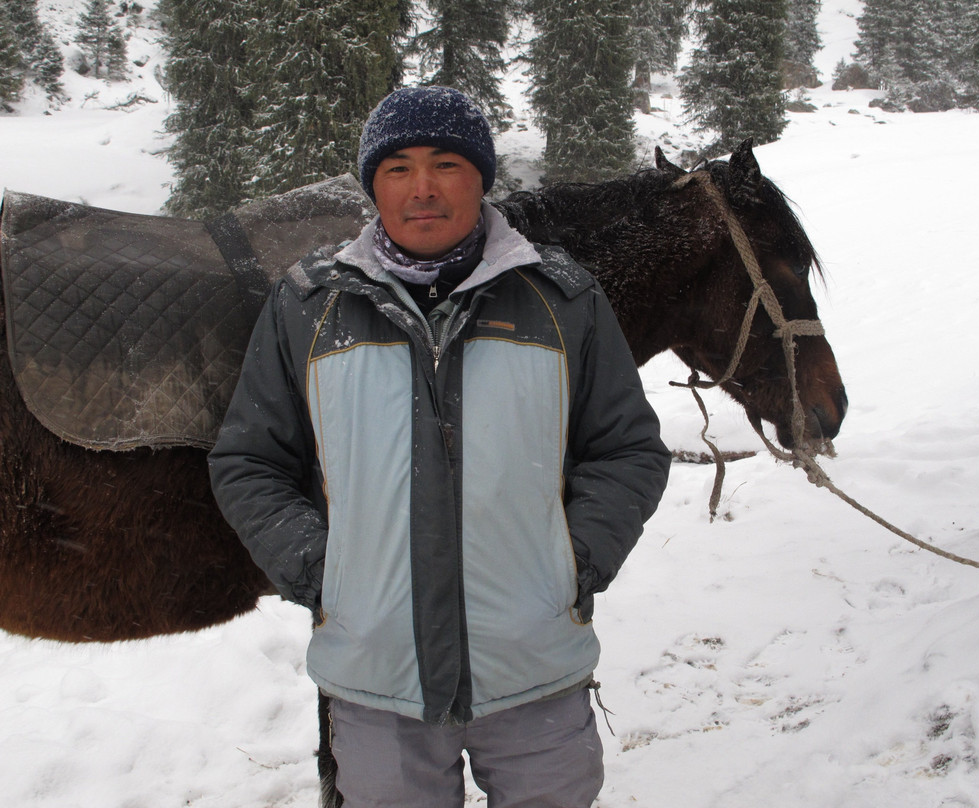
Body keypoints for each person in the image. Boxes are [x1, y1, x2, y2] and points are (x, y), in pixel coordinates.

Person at [208, 86, 670, 808]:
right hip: (377, 679)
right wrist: (325, 575)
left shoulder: (562, 300)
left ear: (481, 178)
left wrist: (569, 565)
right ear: (374, 187)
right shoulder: (309, 307)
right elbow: (250, 460)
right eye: (397, 168)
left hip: (535, 672)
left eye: (446, 164)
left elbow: (628, 450)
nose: (422, 187)